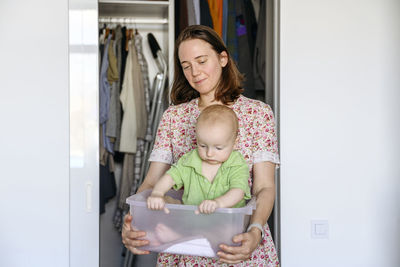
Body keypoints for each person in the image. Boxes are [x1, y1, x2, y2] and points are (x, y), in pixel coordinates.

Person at [122, 25, 280, 266]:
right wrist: (135, 220)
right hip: (184, 247)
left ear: (223, 58)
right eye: (186, 66)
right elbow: (153, 182)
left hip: (239, 244)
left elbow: (264, 188)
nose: (195, 72)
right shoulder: (173, 117)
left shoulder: (258, 114)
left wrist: (255, 231)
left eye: (201, 60)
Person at [147, 104, 251, 215]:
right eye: (202, 145)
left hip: (226, 222)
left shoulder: (237, 163)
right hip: (192, 221)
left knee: (229, 231)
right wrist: (157, 193)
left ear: (235, 143)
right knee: (169, 208)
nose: (209, 153)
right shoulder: (190, 160)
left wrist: (217, 203)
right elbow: (170, 177)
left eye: (218, 148)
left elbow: (238, 191)